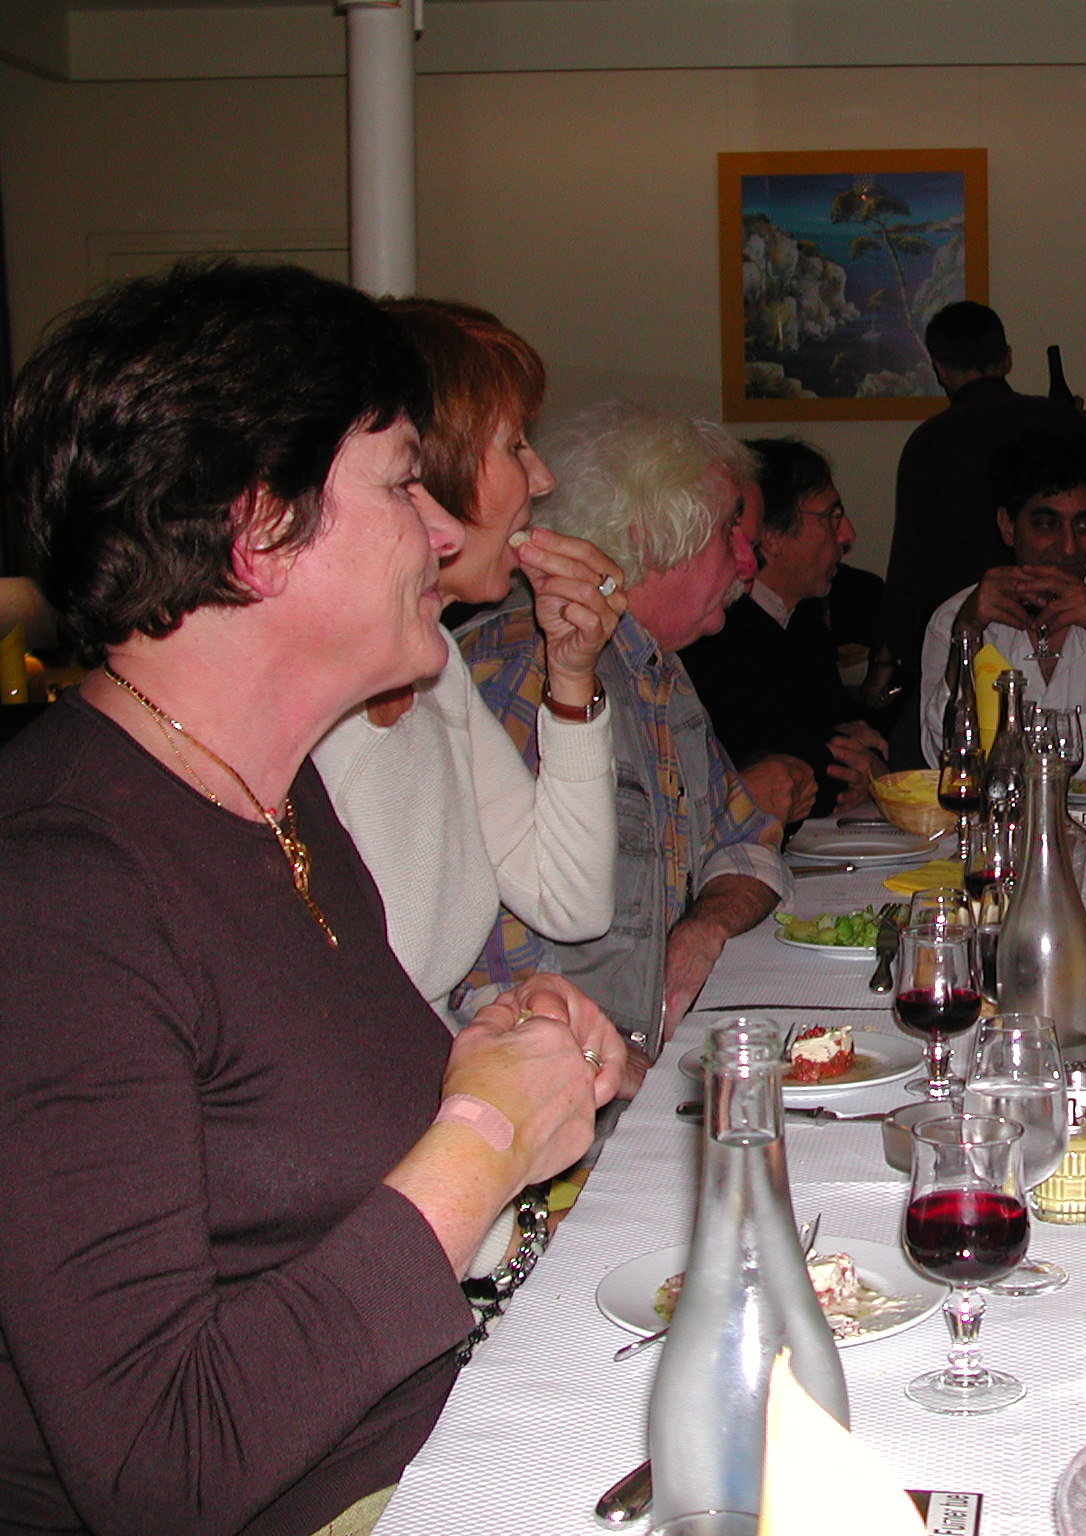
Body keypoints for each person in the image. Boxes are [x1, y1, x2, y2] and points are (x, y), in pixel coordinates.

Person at [0, 260, 623, 1536]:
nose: (442, 533)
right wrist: (483, 1141)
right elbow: (159, 1469)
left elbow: (283, 1150)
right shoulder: (59, 889)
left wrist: (484, 1058)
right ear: (259, 529)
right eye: (399, 484)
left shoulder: (271, 801)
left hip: (439, 1441)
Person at [314, 297, 624, 1028]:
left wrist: (571, 678)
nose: (542, 479)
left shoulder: (437, 666)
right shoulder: (318, 704)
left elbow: (571, 902)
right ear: (428, 470)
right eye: (515, 446)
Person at [461, 403, 794, 1053]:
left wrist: (704, 929)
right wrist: (601, 1062)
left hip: (639, 1061)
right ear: (651, 537)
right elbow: (486, 974)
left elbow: (748, 840)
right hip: (560, 1081)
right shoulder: (521, 672)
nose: (747, 561)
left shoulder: (657, 672)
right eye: (728, 530)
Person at [918, 431, 1086, 778]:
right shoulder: (956, 616)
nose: (1068, 547)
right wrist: (968, 633)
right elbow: (943, 759)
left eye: (1084, 525)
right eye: (1046, 524)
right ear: (1008, 526)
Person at [880, 301, 1086, 701]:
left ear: (940, 369)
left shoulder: (929, 442)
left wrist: (895, 657)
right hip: (1069, 625)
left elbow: (911, 564)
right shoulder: (1061, 421)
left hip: (967, 630)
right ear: (1008, 358)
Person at [680, 437, 890, 816]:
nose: (848, 535)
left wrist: (858, 756)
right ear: (771, 535)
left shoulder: (801, 617)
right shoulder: (715, 630)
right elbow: (774, 779)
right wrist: (846, 760)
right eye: (832, 517)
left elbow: (851, 738)